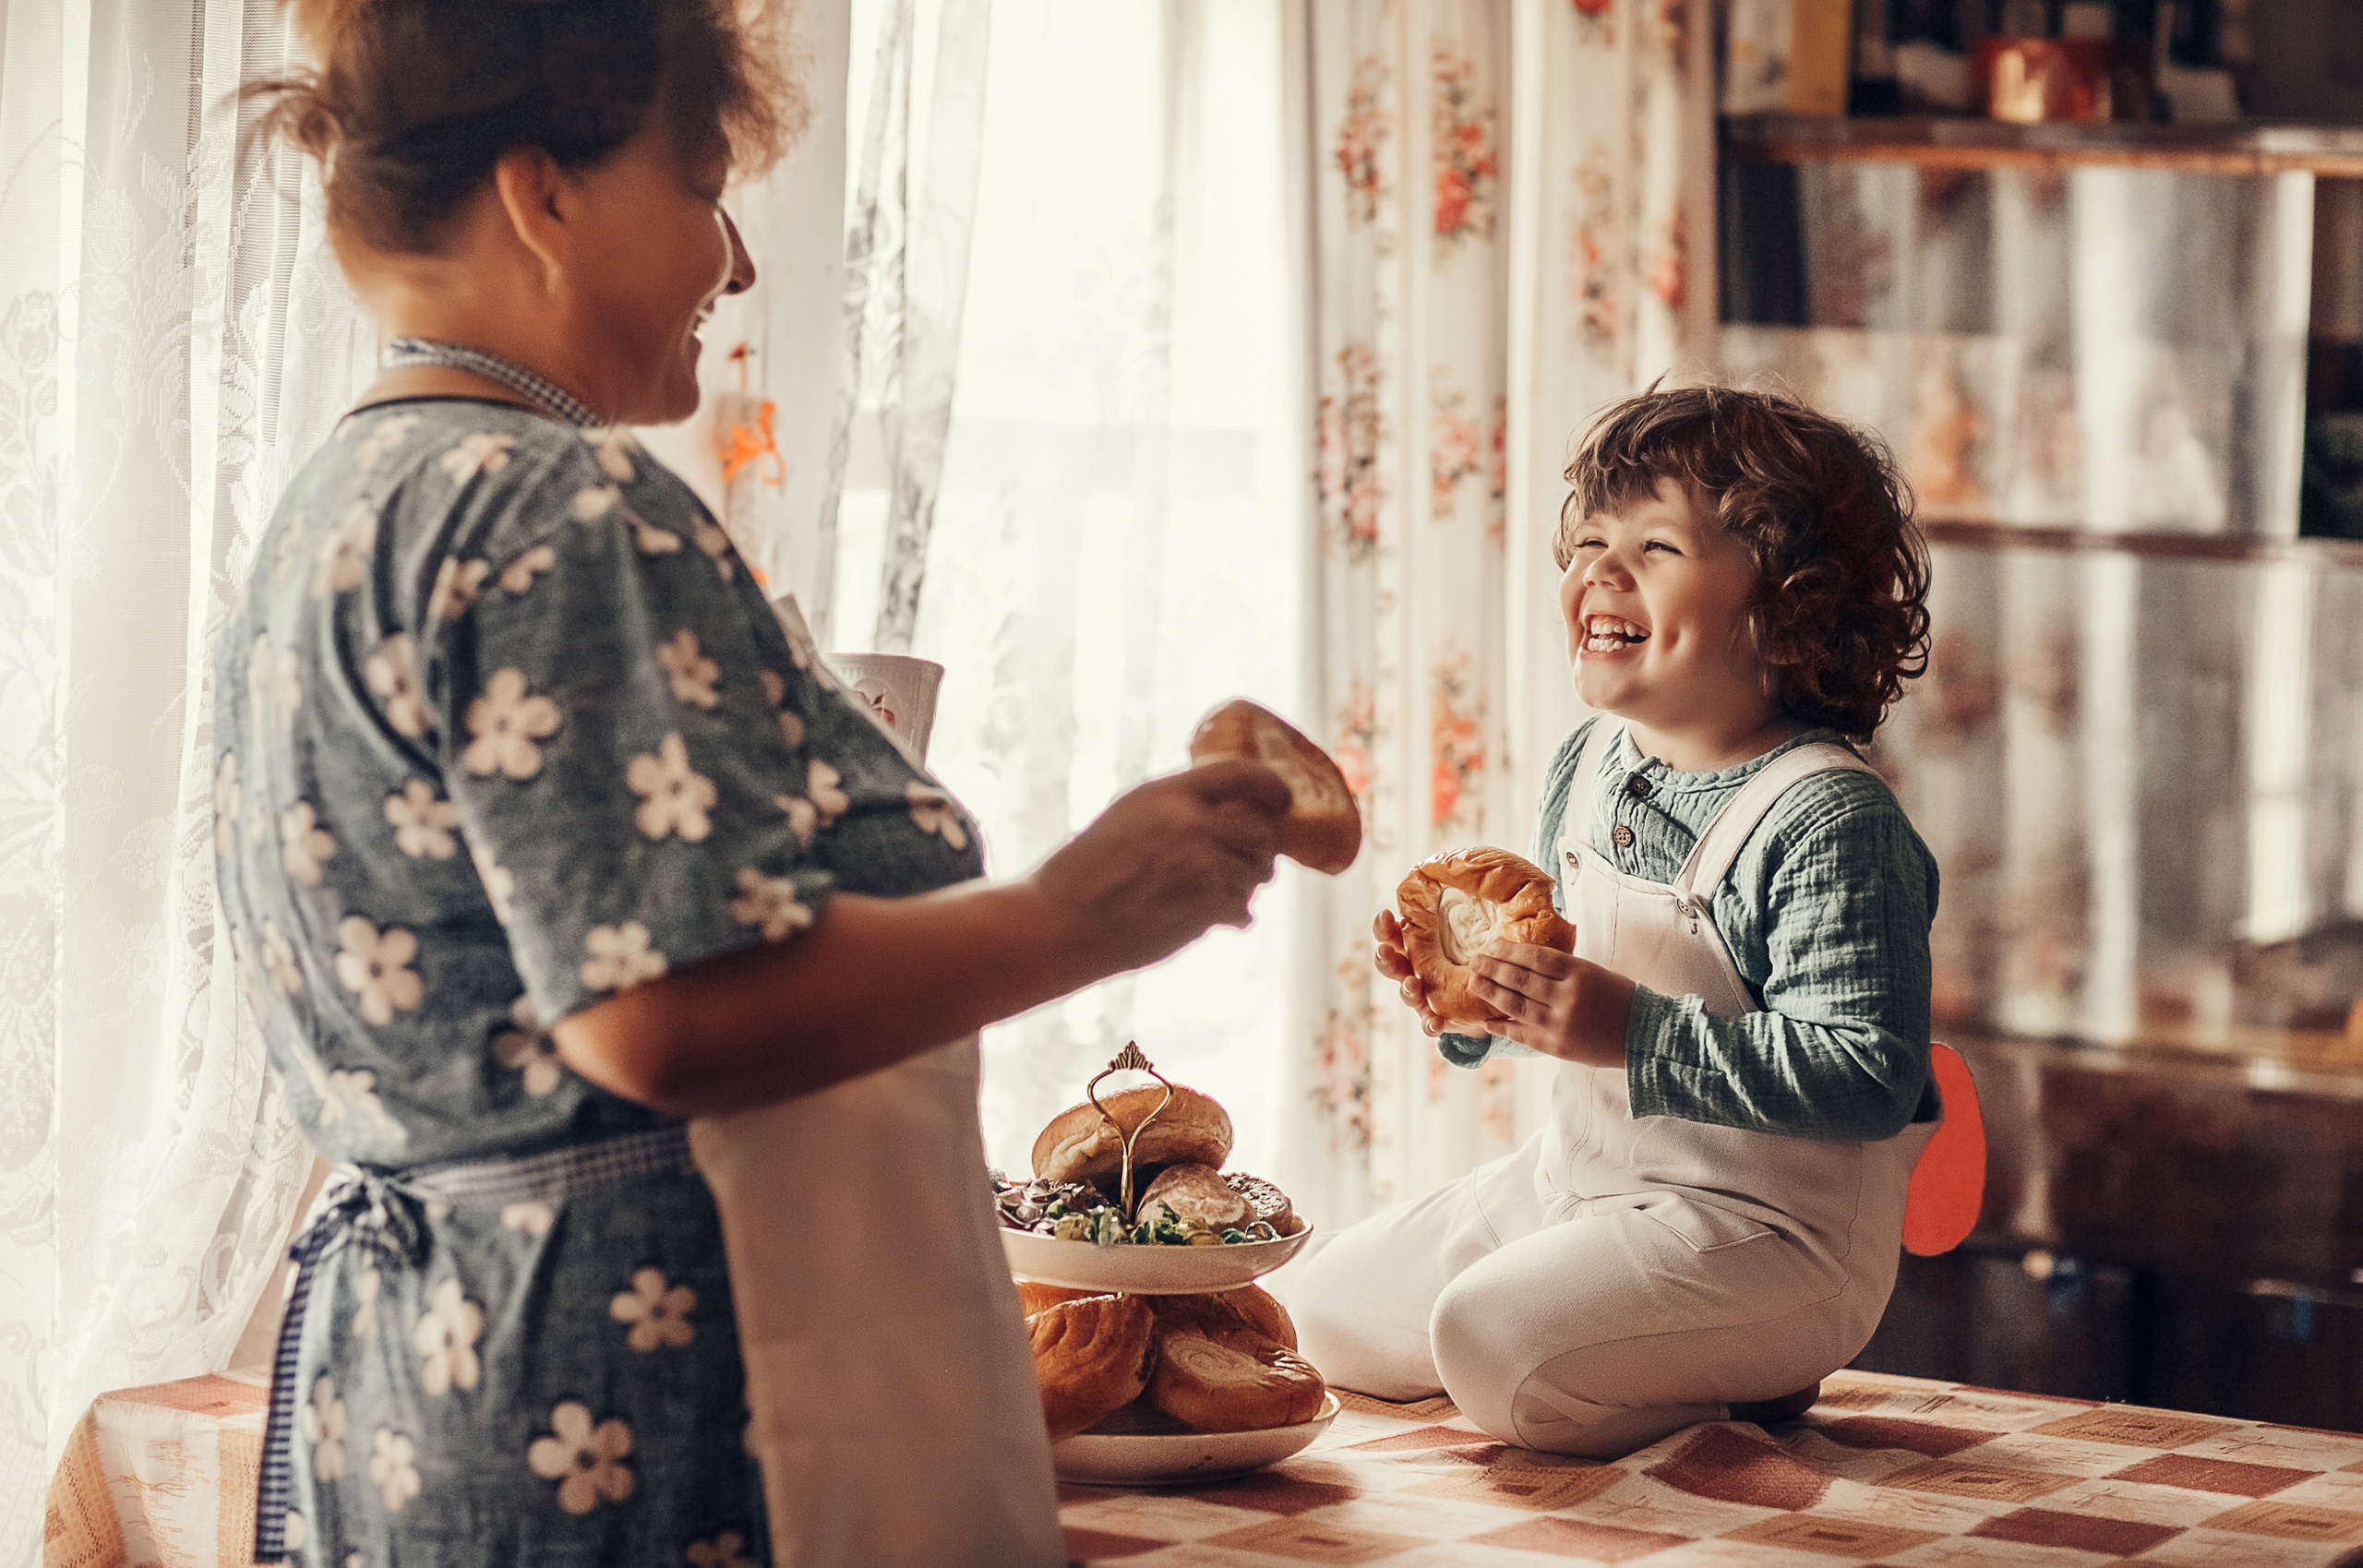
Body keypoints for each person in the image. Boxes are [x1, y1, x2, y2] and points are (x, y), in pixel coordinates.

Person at [220, 4, 1289, 1564]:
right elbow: (657, 1009)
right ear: (546, 195)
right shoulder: (553, 501)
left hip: (439, 1381)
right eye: (708, 185)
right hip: (626, 1396)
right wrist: (1076, 916)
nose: (739, 261)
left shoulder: (345, 497)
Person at [1288, 386, 1941, 1460]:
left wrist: (1630, 1032)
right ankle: (1637, 1350)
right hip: (1578, 1186)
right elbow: (1556, 978)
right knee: (1316, 1314)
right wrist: (1480, 1008)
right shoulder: (1589, 764)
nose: (1599, 569)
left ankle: (1751, 1374)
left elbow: (1868, 1074)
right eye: (1588, 539)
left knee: (1490, 1347)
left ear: (1789, 603)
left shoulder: (1828, 818)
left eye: (1654, 544)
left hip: (1773, 1237)